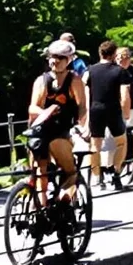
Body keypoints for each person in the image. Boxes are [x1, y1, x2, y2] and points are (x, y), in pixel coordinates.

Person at [27, 38, 87, 196]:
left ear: (68, 60)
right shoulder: (43, 81)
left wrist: (81, 127)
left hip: (55, 130)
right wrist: (45, 113)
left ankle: (53, 203)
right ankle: (44, 203)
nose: (55, 61)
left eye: (60, 57)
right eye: (53, 57)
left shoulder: (73, 81)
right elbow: (33, 107)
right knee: (49, 171)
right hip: (45, 131)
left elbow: (82, 107)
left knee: (56, 171)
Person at [84, 39, 133, 191]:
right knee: (121, 142)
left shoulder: (90, 70)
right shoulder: (120, 71)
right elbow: (124, 94)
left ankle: (97, 178)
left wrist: (85, 114)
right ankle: (116, 172)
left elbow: (85, 93)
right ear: (113, 54)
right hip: (113, 109)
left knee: (95, 145)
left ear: (100, 53)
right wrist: (126, 113)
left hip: (95, 109)